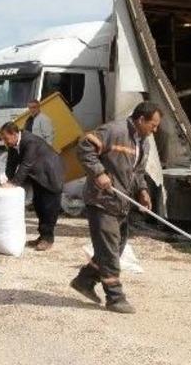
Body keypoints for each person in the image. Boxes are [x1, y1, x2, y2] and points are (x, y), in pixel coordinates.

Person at [69, 101, 161, 314]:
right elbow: (84, 146)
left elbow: (137, 172)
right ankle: (115, 297)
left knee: (115, 248)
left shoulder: (143, 142)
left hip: (121, 203)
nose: (155, 130)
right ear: (141, 120)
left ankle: (84, 281)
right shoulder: (114, 130)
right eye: (153, 125)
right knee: (110, 251)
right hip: (102, 201)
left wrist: (143, 191)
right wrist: (99, 172)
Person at [0, 122, 64, 251]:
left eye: (6, 138)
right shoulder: (14, 144)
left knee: (48, 207)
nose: (5, 142)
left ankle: (48, 238)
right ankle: (42, 236)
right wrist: (7, 180)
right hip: (37, 176)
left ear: (14, 134)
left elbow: (26, 164)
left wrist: (14, 183)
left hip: (50, 174)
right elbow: (11, 164)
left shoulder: (30, 141)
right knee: (38, 204)